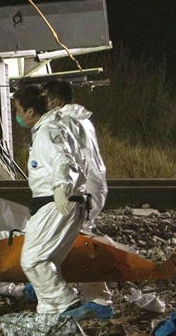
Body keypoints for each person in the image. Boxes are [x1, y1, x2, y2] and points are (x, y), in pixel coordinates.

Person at [13, 84, 94, 320]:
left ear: (30, 111)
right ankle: (49, 314)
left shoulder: (48, 132)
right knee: (48, 262)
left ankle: (67, 304)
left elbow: (63, 160)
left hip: (57, 202)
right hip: (61, 202)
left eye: (18, 110)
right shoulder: (49, 128)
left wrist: (61, 187)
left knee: (33, 260)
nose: (17, 116)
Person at [43, 78, 114, 319]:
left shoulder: (63, 122)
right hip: (91, 188)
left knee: (79, 244)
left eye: (44, 99)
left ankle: (99, 299)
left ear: (56, 100)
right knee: (72, 240)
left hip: (80, 191)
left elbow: (66, 160)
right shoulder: (80, 119)